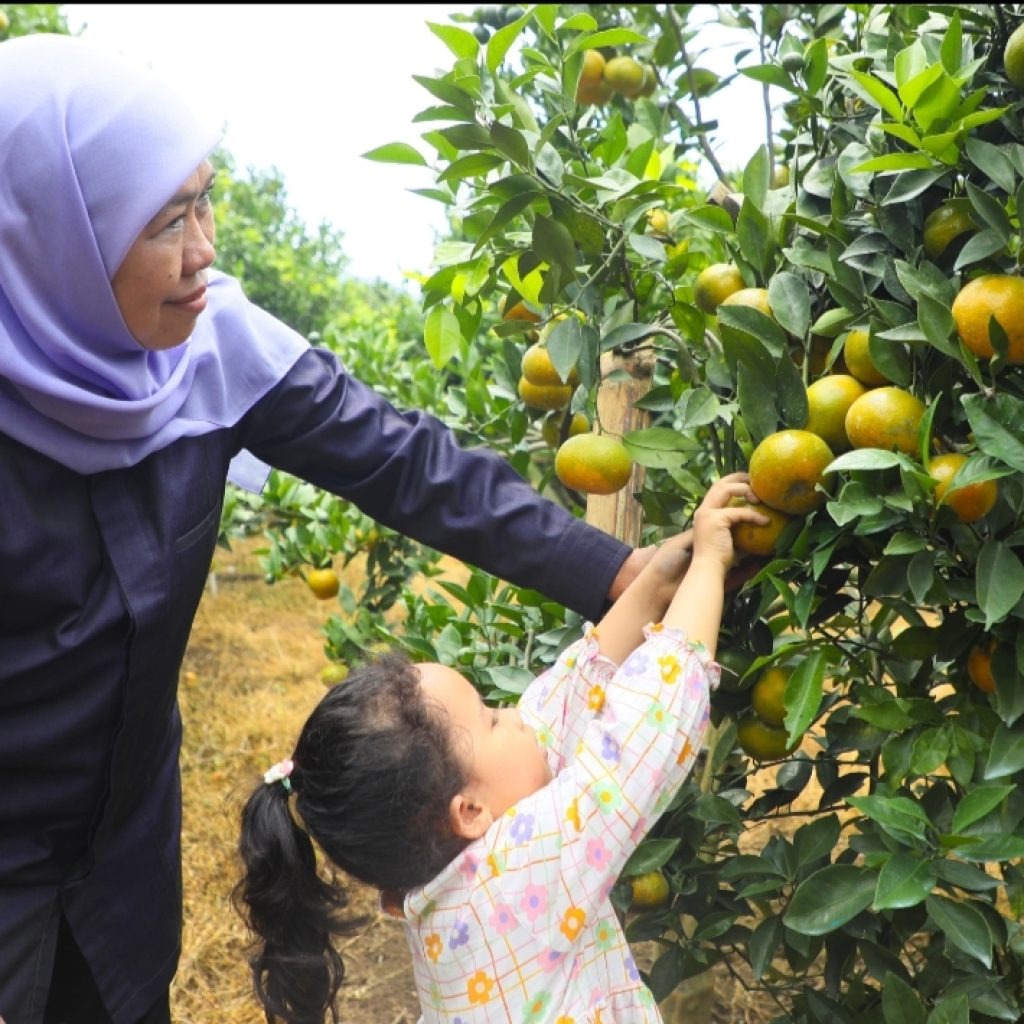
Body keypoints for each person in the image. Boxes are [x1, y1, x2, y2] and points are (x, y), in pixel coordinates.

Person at [0, 33, 658, 1024]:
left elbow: (403, 461)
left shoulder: (212, 342)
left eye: (204, 198)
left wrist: (616, 574)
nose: (206, 248)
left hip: (120, 833)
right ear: (55, 239)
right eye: (164, 221)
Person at [236, 473, 768, 1023]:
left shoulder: (440, 881)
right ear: (468, 812)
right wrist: (708, 566)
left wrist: (657, 583)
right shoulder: (518, 873)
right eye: (492, 719)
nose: (516, 713)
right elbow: (643, 737)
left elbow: (557, 703)